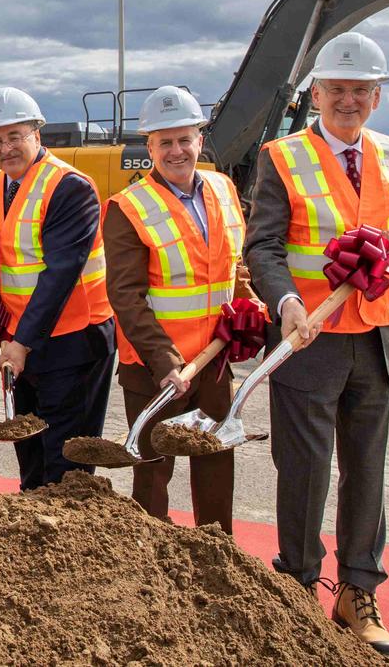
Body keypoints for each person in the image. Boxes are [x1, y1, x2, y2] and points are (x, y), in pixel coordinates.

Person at [244, 31, 389, 660]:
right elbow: (263, 246)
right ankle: (295, 585)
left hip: (376, 337)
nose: (348, 99)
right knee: (305, 471)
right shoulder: (283, 157)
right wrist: (287, 303)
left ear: (376, 96)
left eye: (360, 90)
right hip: (309, 339)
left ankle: (357, 593)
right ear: (316, 93)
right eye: (337, 89)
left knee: (366, 472)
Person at [103, 86, 248, 534]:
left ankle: (218, 554)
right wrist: (165, 361)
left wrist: (250, 306)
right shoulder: (128, 208)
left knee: (216, 467)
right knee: (152, 475)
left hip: (215, 360)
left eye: (184, 139)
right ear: (149, 148)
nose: (176, 150)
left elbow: (233, 265)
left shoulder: (223, 189)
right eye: (164, 142)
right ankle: (154, 565)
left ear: (200, 140)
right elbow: (126, 297)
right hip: (154, 369)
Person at [0, 86, 116, 491]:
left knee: (65, 457)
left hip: (75, 339)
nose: (6, 149)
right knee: (30, 446)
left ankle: (69, 538)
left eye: (15, 136)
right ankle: (33, 530)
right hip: (26, 339)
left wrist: (21, 343)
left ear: (37, 134)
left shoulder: (69, 187)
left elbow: (60, 274)